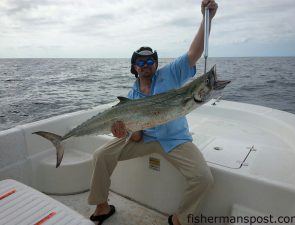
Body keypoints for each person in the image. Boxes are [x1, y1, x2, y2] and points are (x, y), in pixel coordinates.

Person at [88, 1, 218, 224]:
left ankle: (179, 219)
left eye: (150, 60)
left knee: (203, 178)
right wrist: (125, 131)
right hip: (145, 138)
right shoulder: (132, 96)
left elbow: (194, 52)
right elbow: (136, 137)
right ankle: (102, 205)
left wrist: (207, 19)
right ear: (134, 67)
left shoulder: (172, 73)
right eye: (140, 61)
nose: (146, 64)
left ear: (156, 64)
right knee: (101, 154)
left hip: (175, 139)